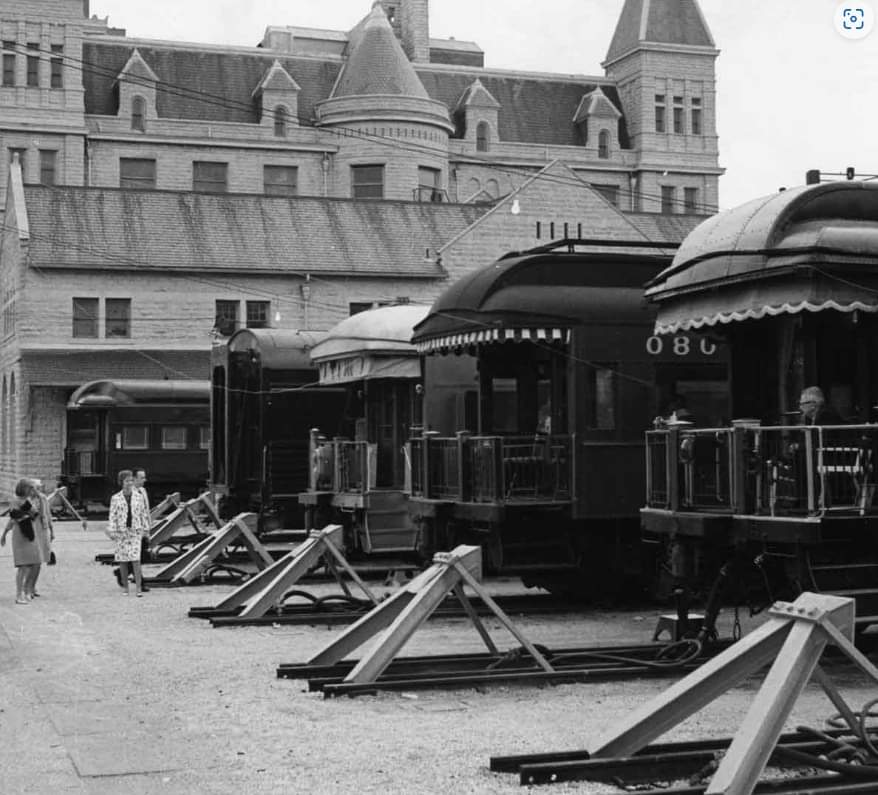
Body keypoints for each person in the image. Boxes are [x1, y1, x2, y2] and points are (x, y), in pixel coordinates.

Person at [106, 469, 150, 596]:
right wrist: (113, 531)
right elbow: (112, 516)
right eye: (127, 481)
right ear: (121, 482)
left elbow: (143, 514)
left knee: (136, 560)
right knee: (123, 560)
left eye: (131, 480)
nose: (130, 483)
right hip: (122, 532)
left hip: (135, 531)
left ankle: (138, 588)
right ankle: (125, 588)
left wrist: (146, 529)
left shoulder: (139, 497)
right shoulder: (115, 498)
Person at [1, 479, 42, 603]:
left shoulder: (26, 501)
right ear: (25, 489)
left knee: (30, 564)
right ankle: (19, 595)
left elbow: (34, 514)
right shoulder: (16, 501)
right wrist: (4, 534)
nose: (32, 491)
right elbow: (15, 518)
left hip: (29, 534)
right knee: (23, 566)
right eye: (30, 488)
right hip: (21, 535)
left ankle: (25, 591)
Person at [25, 478, 54, 598]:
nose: (36, 490)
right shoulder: (26, 500)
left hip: (42, 530)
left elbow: (47, 514)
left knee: (39, 561)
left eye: (38, 488)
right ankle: (26, 587)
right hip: (30, 531)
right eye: (34, 488)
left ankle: (32, 587)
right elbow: (32, 514)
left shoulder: (42, 498)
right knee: (30, 561)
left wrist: (52, 531)